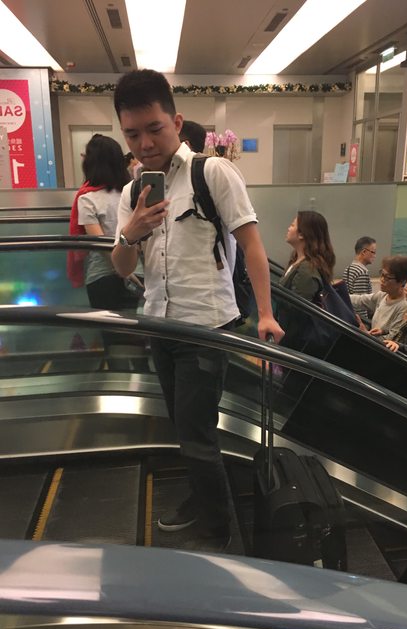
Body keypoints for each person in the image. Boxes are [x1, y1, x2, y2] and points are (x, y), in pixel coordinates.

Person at [111, 69, 283, 552]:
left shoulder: (213, 173)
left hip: (206, 328)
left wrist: (265, 313)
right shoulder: (132, 192)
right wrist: (132, 233)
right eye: (132, 134)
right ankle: (204, 499)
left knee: (197, 432)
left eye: (154, 129)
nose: (144, 143)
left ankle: (217, 529)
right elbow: (122, 268)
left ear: (176, 121)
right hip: (159, 324)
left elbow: (252, 245)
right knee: (185, 427)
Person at [74, 134, 141, 311]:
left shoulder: (87, 199)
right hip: (137, 271)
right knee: (138, 325)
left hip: (103, 276)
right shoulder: (132, 193)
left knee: (109, 327)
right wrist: (129, 272)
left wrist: (123, 270)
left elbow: (100, 244)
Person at [277, 210, 335, 356]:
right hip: (287, 341)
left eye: (292, 225)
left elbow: (296, 311)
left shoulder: (307, 269)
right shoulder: (297, 262)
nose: (288, 228)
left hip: (292, 346)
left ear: (302, 234)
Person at [350, 255, 407, 340]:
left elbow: (392, 339)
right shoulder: (383, 295)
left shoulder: (405, 306)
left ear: (402, 281)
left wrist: (366, 334)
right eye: (382, 274)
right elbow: (360, 300)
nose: (382, 279)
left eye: (387, 277)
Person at [343, 236, 376, 326]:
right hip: (358, 321)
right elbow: (361, 303)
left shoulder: (348, 268)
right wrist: (364, 324)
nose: (375, 256)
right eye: (373, 252)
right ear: (364, 252)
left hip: (349, 316)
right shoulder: (362, 272)